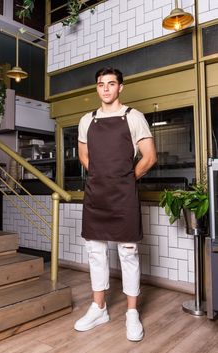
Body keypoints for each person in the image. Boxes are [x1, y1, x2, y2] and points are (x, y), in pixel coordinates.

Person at [74, 67, 157, 341]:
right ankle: (99, 307)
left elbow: (149, 157)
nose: (106, 88)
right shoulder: (88, 119)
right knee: (95, 252)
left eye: (111, 84)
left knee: (128, 254)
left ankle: (132, 313)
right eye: (101, 84)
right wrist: (103, 178)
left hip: (124, 197)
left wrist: (124, 179)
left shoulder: (134, 117)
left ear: (120, 87)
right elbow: (85, 156)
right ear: (97, 88)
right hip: (96, 195)